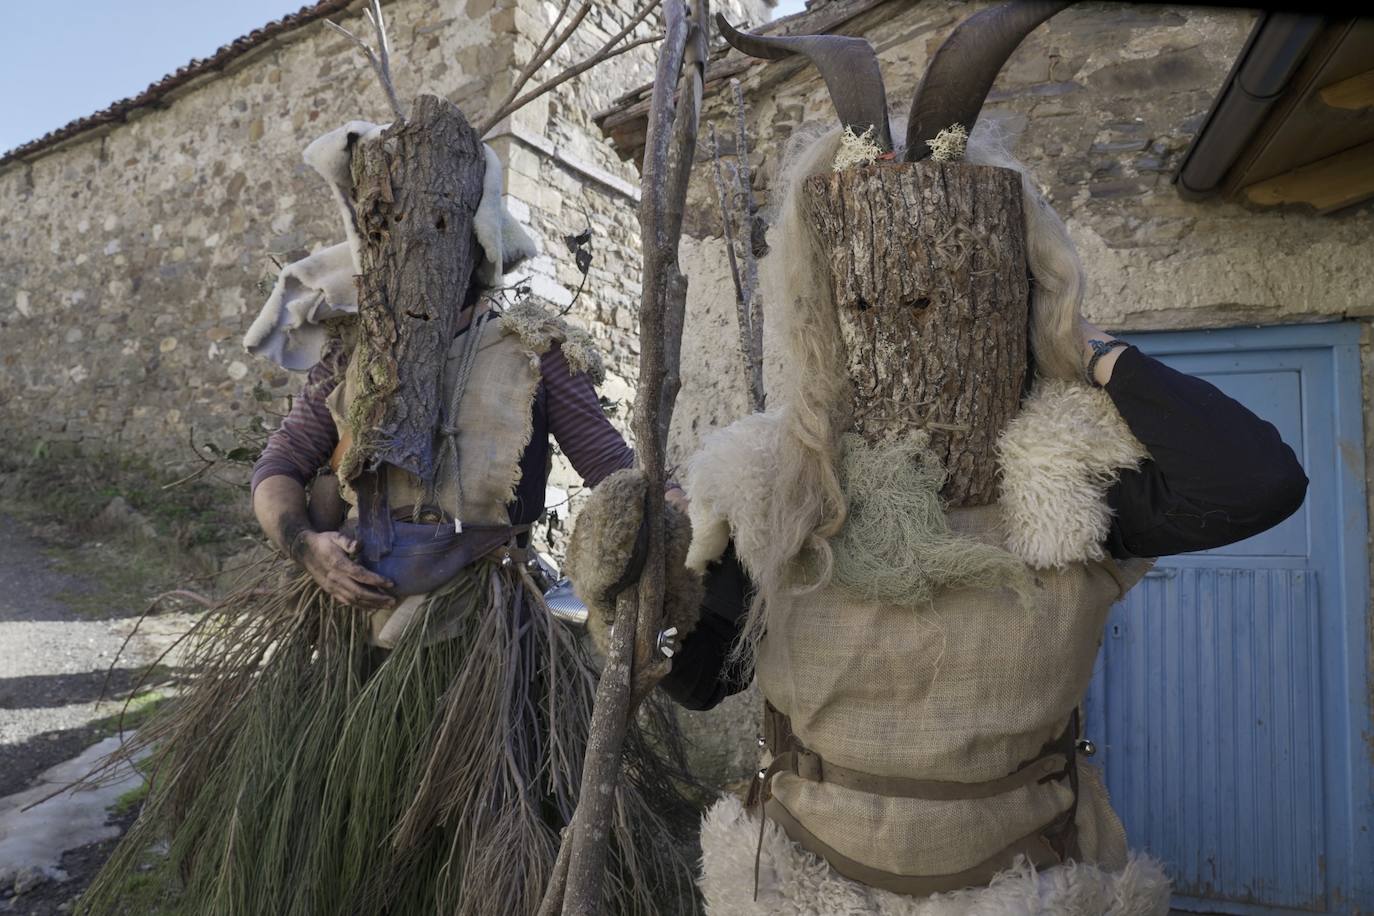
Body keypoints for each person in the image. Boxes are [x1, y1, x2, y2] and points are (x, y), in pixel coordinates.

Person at [568, 120, 1308, 916]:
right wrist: (637, 607)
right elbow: (709, 675)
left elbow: (1257, 481)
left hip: (1029, 883)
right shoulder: (776, 484)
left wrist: (1089, 346)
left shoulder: (1065, 476)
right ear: (828, 303)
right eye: (862, 294)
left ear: (1010, 290)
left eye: (949, 294)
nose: (907, 320)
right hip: (805, 885)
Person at [78, 123, 698, 916]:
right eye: (392, 225)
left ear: (471, 233)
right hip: (347, 642)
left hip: (485, 639)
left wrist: (681, 511)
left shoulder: (532, 349)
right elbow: (276, 473)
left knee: (477, 828)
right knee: (344, 830)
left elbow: (618, 470)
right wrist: (308, 548)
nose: (415, 245)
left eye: (436, 225)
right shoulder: (351, 356)